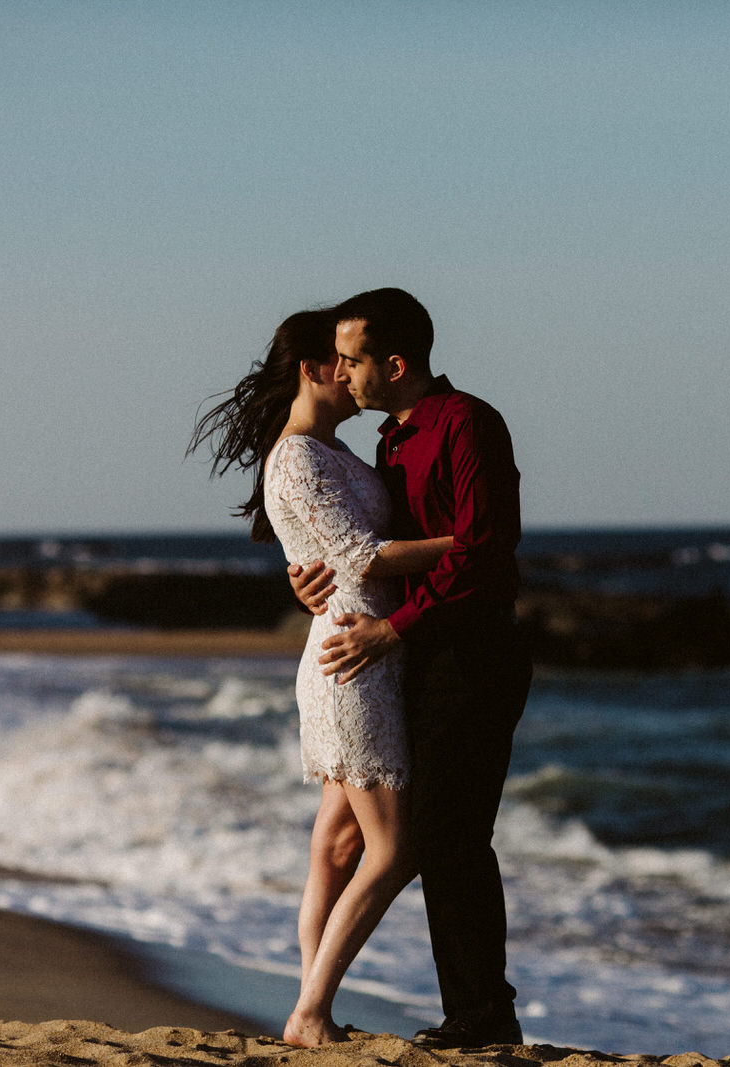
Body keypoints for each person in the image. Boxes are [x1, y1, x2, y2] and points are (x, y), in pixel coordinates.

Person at [188, 309, 456, 1047]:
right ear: (312, 367)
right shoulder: (299, 457)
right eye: (341, 359)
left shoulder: (333, 450)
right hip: (352, 662)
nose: (354, 370)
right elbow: (365, 556)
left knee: (338, 845)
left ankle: (314, 1009)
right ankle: (310, 1010)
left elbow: (330, 551)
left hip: (364, 650)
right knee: (394, 848)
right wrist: (468, 544)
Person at [290, 288, 532, 1049]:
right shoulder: (389, 443)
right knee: (434, 836)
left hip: (473, 651)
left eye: (356, 359)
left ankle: (483, 1013)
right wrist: (309, 578)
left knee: (450, 835)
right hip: (414, 657)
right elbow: (363, 551)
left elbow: (484, 548)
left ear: (395, 363)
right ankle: (469, 1012)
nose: (346, 373)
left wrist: (393, 629)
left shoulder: (467, 423)